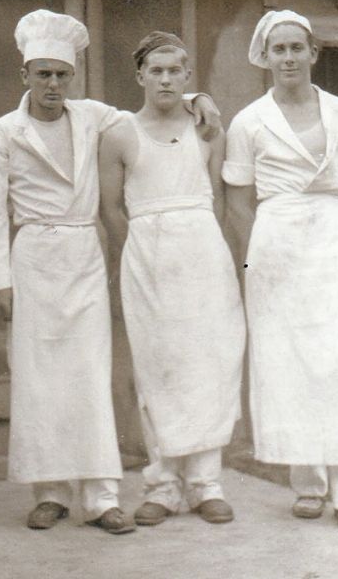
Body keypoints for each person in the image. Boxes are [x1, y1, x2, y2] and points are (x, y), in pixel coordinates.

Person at [0, 10, 220, 535]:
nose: (53, 85)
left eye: (62, 75)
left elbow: (158, 103)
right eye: (43, 74)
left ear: (73, 77)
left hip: (84, 253)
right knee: (39, 379)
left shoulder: (93, 117)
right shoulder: (3, 132)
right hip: (33, 257)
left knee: (89, 374)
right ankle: (50, 492)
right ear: (25, 75)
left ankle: (101, 496)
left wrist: (199, 97)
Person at [223, 10, 338, 530]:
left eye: (296, 48)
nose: (287, 57)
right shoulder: (249, 121)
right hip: (275, 245)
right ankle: (307, 484)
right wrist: (258, 260)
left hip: (334, 241)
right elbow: (237, 203)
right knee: (289, 364)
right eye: (278, 49)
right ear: (265, 57)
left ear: (313, 53)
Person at [98, 31, 245, 527]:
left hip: (202, 251)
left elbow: (219, 202)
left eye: (174, 71)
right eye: (155, 70)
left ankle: (206, 484)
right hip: (146, 254)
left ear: (187, 76)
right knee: (157, 367)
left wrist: (199, 245)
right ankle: (162, 486)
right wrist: (143, 252)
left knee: (207, 363)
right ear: (140, 75)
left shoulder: (207, 129)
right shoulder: (119, 133)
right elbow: (110, 209)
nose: (164, 79)